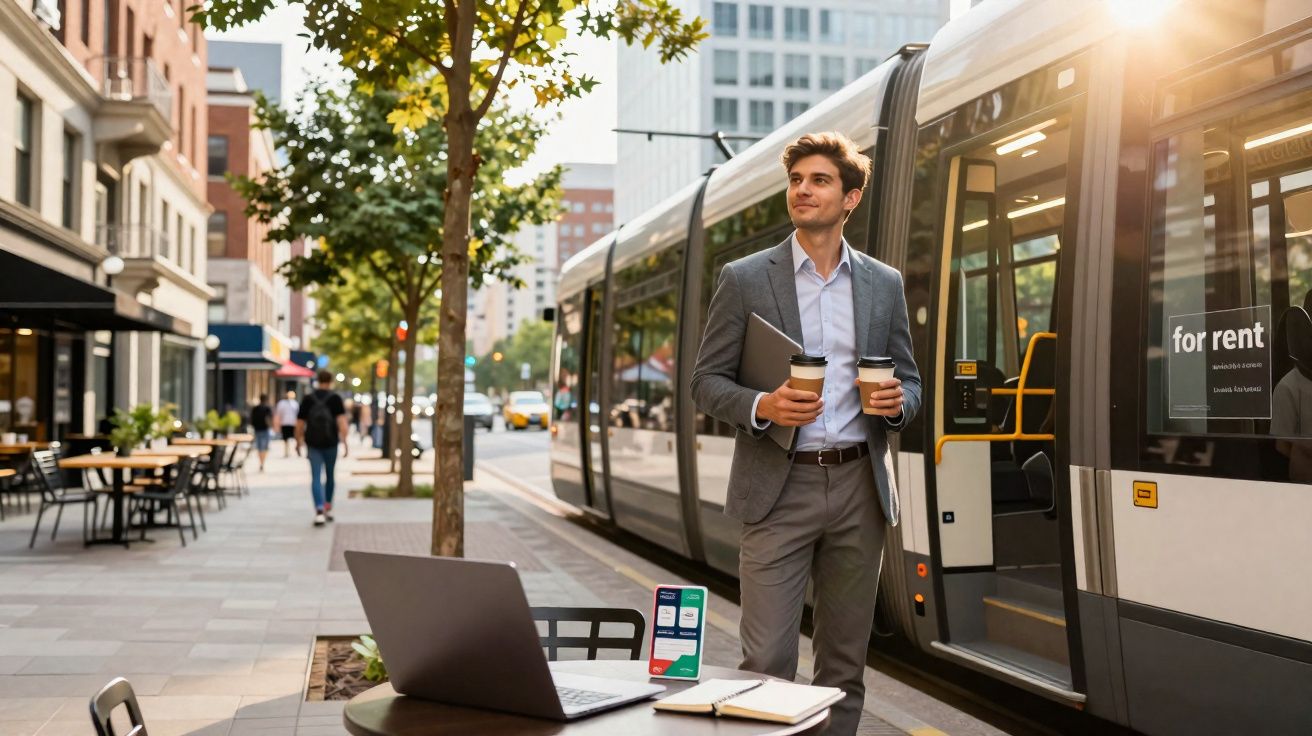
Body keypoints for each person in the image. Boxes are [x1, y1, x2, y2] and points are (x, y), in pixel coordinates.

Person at [690, 132, 921, 736]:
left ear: (850, 197)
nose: (803, 190)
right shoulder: (744, 279)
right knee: (765, 661)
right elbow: (705, 382)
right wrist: (762, 404)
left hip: (858, 489)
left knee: (844, 664)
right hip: (777, 487)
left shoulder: (882, 284)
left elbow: (911, 384)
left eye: (819, 181)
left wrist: (898, 404)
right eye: (796, 180)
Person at [296, 371, 349, 526]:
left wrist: (298, 442)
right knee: (330, 476)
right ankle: (328, 507)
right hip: (331, 443)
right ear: (331, 381)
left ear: (318, 381)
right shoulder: (335, 398)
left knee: (316, 478)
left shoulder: (307, 399)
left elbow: (299, 424)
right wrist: (345, 442)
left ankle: (319, 510)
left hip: (313, 444)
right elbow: (342, 423)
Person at [249, 394, 274, 472]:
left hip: (257, 430)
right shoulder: (267, 408)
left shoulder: (255, 408)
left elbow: (251, 420)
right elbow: (270, 419)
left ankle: (261, 462)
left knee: (260, 447)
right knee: (265, 448)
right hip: (265, 430)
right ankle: (262, 463)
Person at [275, 390, 300, 457]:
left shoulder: (295, 404)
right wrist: (277, 424)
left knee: (291, 438)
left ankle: (291, 450)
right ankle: (286, 452)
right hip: (285, 423)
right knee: (286, 438)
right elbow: (278, 414)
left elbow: (298, 414)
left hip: (292, 423)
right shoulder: (282, 403)